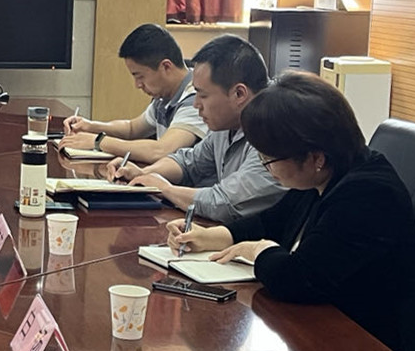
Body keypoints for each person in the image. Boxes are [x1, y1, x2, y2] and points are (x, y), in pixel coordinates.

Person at [165, 72, 415, 351]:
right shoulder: (329, 172)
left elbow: (298, 279)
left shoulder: (368, 194)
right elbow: (273, 220)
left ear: (315, 157)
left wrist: (259, 251)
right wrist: (212, 236)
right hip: (341, 336)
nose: (266, 167)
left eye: (269, 159)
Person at [105, 34, 284, 224]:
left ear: (239, 94)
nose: (195, 104)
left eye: (202, 95)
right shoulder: (227, 123)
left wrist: (165, 189)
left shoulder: (274, 132)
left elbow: (224, 203)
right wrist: (145, 174)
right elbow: (190, 163)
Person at [62, 23, 207, 162]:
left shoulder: (196, 99)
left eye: (140, 76)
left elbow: (161, 151)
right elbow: (131, 129)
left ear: (166, 67)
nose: (137, 85)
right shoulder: (164, 96)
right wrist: (89, 126)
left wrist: (98, 141)